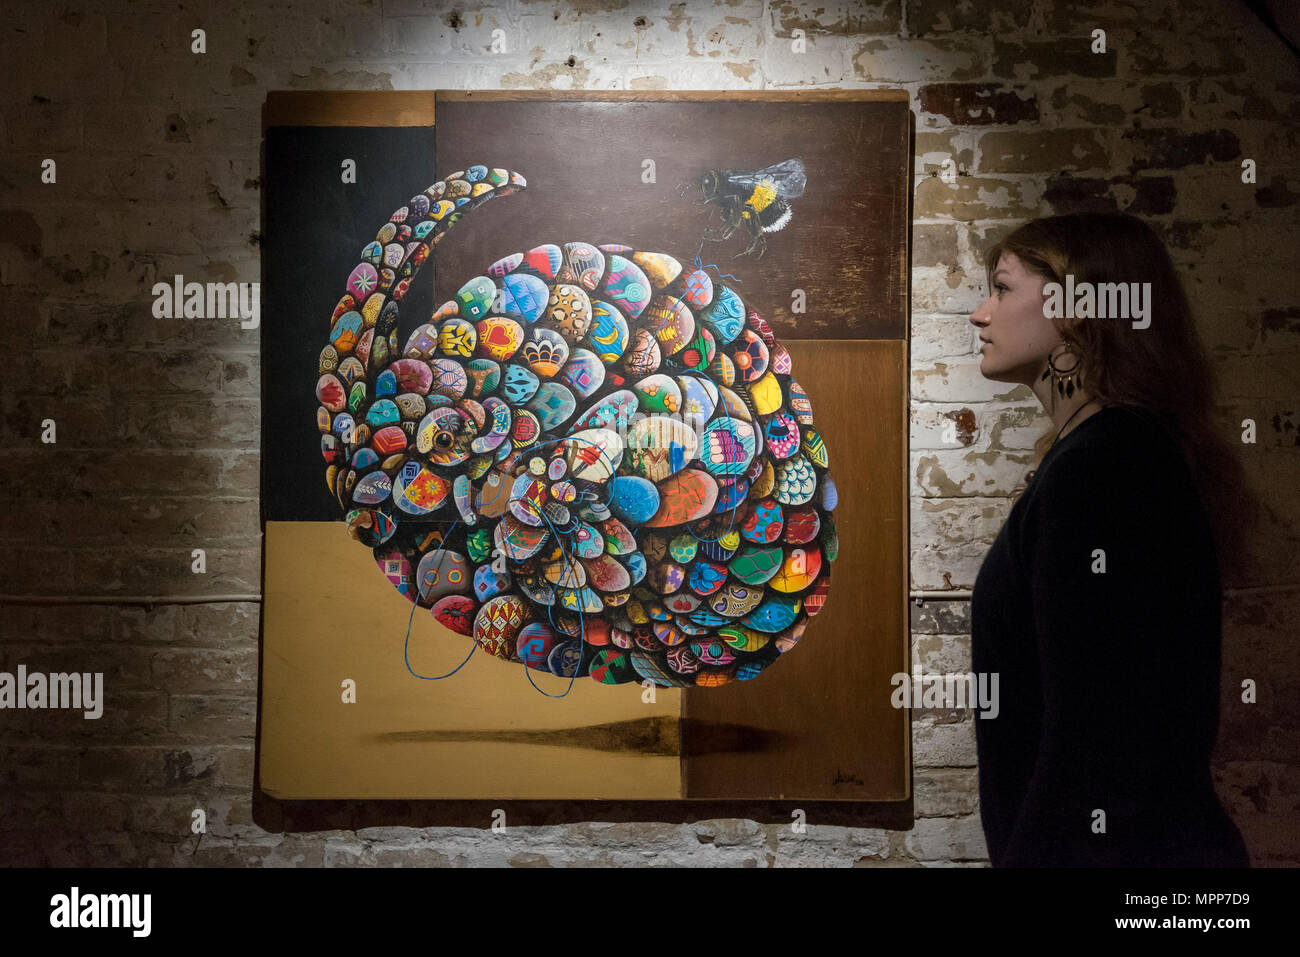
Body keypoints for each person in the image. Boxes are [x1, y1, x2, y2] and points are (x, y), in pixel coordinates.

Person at [967, 212, 1255, 867]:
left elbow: (1096, 746)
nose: (982, 313)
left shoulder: (1104, 468)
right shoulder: (1109, 455)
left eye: (1003, 288)